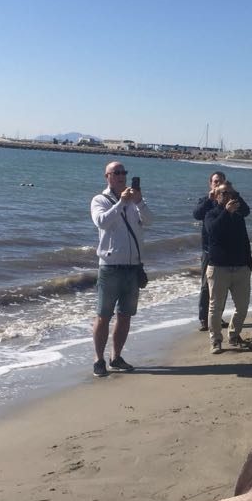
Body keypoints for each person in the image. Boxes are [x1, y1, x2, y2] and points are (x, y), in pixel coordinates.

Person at [90, 161, 153, 377]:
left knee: (125, 315)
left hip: (132, 267)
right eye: (116, 173)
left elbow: (150, 221)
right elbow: (101, 222)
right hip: (109, 267)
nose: (121, 176)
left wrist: (139, 201)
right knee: (103, 316)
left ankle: (116, 357)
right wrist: (121, 204)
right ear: (107, 176)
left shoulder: (135, 201)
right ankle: (98, 360)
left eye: (123, 172)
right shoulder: (100, 200)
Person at [203, 182, 252, 354]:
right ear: (216, 197)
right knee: (215, 307)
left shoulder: (239, 214)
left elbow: (247, 211)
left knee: (243, 306)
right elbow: (213, 232)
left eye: (230, 194)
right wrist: (226, 212)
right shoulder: (211, 214)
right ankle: (216, 340)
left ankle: (234, 334)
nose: (228, 197)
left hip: (241, 268)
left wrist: (249, 263)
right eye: (224, 194)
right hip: (219, 268)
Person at [193, 171, 245, 331]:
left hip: (227, 252)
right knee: (206, 286)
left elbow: (246, 212)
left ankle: (217, 317)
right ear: (211, 184)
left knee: (220, 288)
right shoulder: (207, 200)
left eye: (221, 182)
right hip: (209, 249)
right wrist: (210, 199)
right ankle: (204, 318)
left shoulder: (232, 200)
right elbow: (197, 214)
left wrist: (235, 193)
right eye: (215, 182)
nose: (218, 184)